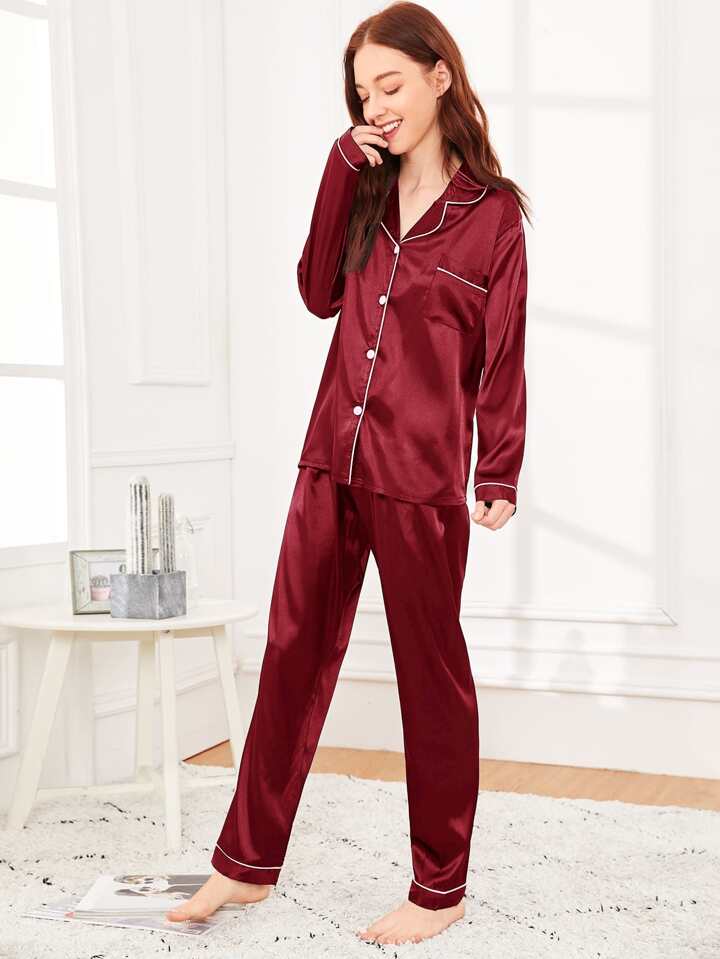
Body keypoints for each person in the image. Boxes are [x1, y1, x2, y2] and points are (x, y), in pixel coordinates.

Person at [166, 0, 530, 946]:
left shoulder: (493, 217)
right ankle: (243, 865)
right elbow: (317, 290)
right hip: (332, 455)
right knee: (291, 653)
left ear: (440, 77)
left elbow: (503, 351)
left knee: (430, 674)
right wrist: (340, 167)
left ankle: (439, 888)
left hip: (421, 477)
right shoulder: (361, 186)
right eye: (364, 94)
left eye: (391, 84)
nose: (377, 107)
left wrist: (499, 465)